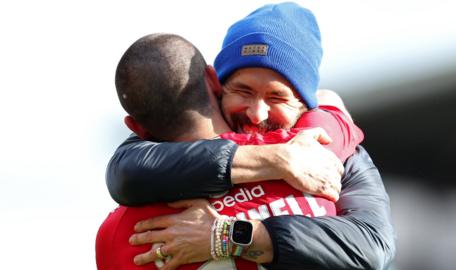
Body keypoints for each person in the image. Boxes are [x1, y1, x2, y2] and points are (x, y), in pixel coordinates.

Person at [105, 2, 395, 270]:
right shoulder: (150, 163)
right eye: (243, 91)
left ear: (306, 104)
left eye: (277, 97)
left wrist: (230, 235)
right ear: (216, 86)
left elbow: (373, 248)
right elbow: (125, 170)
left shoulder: (335, 151)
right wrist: (276, 158)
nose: (257, 114)